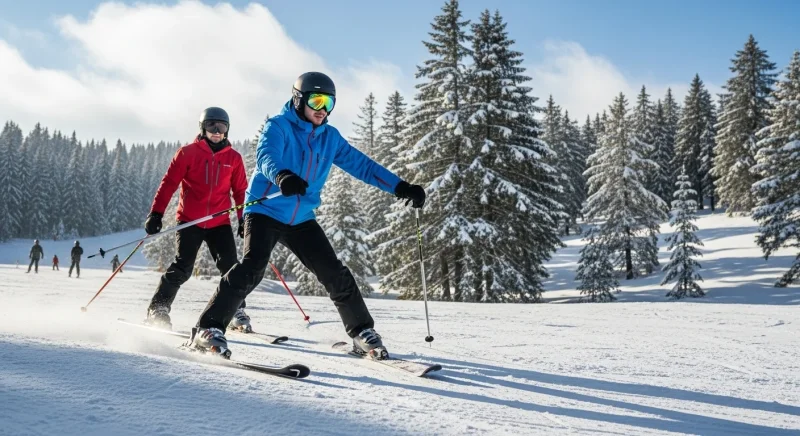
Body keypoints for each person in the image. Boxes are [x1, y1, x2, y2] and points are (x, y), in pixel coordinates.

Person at [188, 72, 426, 359]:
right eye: (317, 100)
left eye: (329, 103)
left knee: (334, 272)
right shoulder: (279, 126)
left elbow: (362, 166)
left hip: (301, 218)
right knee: (252, 268)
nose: (322, 109)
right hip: (265, 209)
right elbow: (266, 156)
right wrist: (282, 176)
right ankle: (208, 328)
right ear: (299, 99)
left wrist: (400, 187)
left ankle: (362, 332)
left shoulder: (330, 137)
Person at [143, 107, 249, 331]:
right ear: (203, 128)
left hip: (219, 222)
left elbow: (240, 192)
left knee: (231, 268)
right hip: (190, 220)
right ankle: (158, 308)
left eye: (222, 127)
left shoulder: (234, 158)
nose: (217, 131)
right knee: (183, 267)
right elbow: (168, 184)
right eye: (212, 126)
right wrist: (156, 213)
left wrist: (243, 220)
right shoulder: (188, 153)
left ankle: (236, 309)